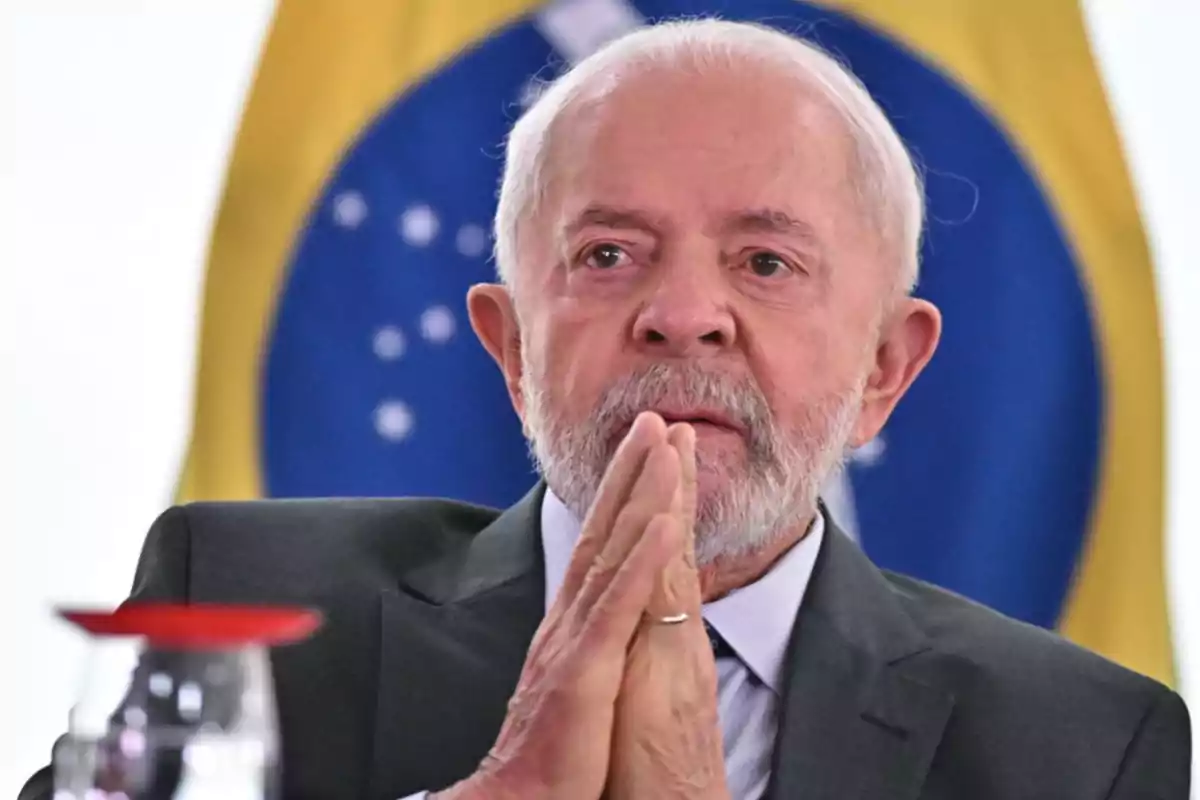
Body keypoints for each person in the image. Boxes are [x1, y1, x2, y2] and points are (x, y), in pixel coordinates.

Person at [20, 18, 1190, 800]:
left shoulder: (1084, 748)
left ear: (888, 365)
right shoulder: (241, 600)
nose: (685, 314)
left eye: (766, 263)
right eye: (610, 252)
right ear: (511, 345)